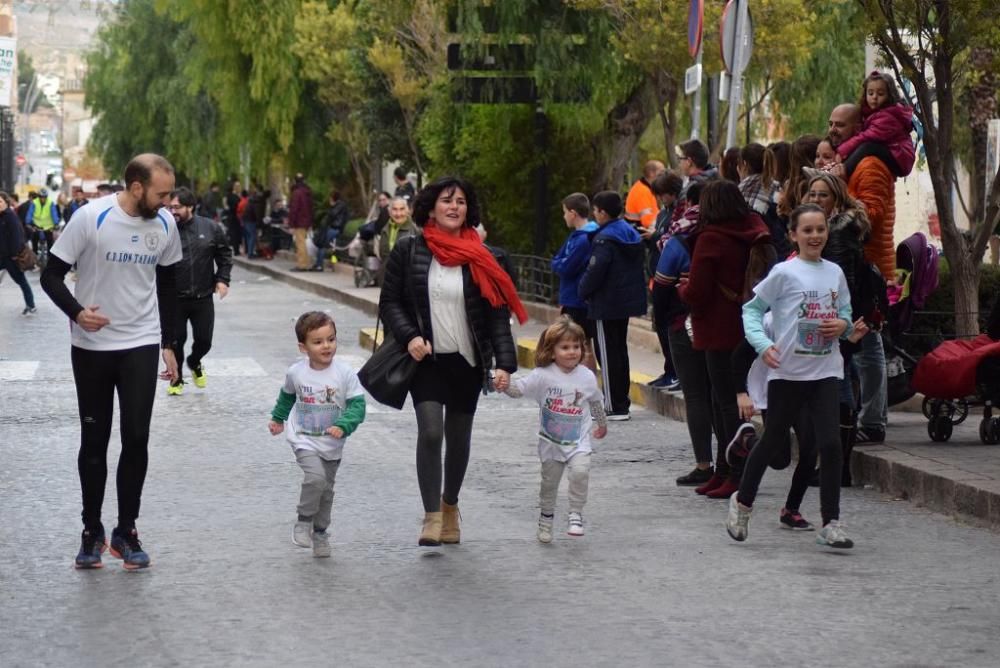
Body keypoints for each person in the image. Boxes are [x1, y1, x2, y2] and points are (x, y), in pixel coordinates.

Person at [40, 153, 182, 570]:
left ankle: (126, 530)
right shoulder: (90, 218)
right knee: (94, 443)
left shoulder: (166, 224)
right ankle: (91, 531)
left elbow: (169, 281)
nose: (169, 202)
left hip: (140, 341)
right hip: (92, 346)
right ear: (136, 188)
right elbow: (51, 274)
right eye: (162, 193)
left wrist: (170, 343)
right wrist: (77, 312)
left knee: (137, 438)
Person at [378, 176, 525, 546]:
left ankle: (449, 507)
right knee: (431, 432)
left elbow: (496, 315)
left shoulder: (484, 257)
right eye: (446, 200)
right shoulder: (410, 250)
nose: (454, 207)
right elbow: (390, 301)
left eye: (460, 201)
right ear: (430, 207)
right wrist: (410, 336)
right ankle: (429, 517)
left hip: (466, 361)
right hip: (425, 360)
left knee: (458, 440)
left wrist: (504, 363)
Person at [725, 204, 855, 549]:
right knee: (772, 443)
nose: (815, 236)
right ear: (793, 235)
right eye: (807, 230)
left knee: (829, 444)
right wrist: (762, 343)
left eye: (820, 230)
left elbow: (846, 316)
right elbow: (751, 311)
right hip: (787, 373)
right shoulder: (784, 273)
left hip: (825, 371)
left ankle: (831, 522)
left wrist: (843, 325)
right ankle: (743, 503)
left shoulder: (835, 273)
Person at [677, 179, 771, 500]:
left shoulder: (711, 239)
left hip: (716, 327)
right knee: (729, 399)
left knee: (723, 403)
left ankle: (734, 471)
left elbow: (698, 292)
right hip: (746, 325)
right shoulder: (755, 230)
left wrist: (681, 289)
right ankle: (722, 470)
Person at [268, 311, 366, 558]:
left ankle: (320, 532)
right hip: (304, 439)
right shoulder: (296, 372)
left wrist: (344, 425)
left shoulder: (345, 373)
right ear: (303, 347)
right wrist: (278, 419)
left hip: (332, 444)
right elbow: (287, 395)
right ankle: (303, 521)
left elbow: (358, 406)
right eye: (318, 342)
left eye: (331, 339)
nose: (326, 346)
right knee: (315, 479)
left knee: (326, 491)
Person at [502, 317, 607, 542]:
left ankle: (576, 514)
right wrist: (501, 383)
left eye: (576, 347)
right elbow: (519, 390)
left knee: (580, 472)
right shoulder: (543, 375)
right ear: (551, 351)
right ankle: (546, 519)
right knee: (549, 484)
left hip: (579, 440)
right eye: (565, 347)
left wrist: (602, 423)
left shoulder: (587, 376)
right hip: (551, 443)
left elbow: (596, 401)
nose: (572, 352)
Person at [828, 103, 894, 443]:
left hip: (868, 267)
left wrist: (840, 189)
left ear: (859, 127)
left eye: (841, 124)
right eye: (831, 123)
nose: (834, 128)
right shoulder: (852, 161)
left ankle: (872, 421)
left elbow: (873, 213)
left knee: (869, 346)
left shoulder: (869, 164)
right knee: (862, 346)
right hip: (853, 265)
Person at [654, 181, 718, 486]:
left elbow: (662, 283)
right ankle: (733, 460)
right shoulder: (734, 235)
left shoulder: (679, 239)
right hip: (725, 322)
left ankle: (705, 464)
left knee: (696, 395)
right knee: (721, 392)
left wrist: (664, 320)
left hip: (684, 323)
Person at [578, 191, 647, 420]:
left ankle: (612, 404)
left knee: (606, 353)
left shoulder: (604, 238)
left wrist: (583, 290)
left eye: (596, 211)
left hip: (605, 303)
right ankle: (621, 401)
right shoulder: (630, 233)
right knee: (620, 351)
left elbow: (595, 270)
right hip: (624, 302)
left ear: (602, 212)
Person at [165, 187, 233, 396]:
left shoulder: (211, 228)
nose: (172, 211)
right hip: (174, 298)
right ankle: (176, 380)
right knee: (176, 341)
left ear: (190, 207)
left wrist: (222, 279)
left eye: (177, 207)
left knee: (204, 341)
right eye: (170, 207)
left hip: (203, 297)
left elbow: (224, 255)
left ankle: (194, 363)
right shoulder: (165, 229)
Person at [835, 70, 915, 179]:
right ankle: (833, 169)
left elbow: (865, 137)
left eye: (880, 94)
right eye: (870, 93)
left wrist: (842, 150)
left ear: (890, 95)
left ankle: (842, 171)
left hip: (900, 158)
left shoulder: (888, 117)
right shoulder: (871, 114)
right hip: (893, 152)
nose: (874, 97)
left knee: (868, 146)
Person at [551, 192, 599, 371]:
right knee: (579, 342)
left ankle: (587, 384)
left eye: (564, 212)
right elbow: (557, 259)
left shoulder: (584, 239)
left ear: (572, 213)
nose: (564, 217)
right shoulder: (575, 236)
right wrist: (559, 263)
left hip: (578, 300)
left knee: (582, 343)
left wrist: (559, 263)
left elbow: (565, 266)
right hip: (571, 297)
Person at [647, 171, 685, 389]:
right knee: (661, 326)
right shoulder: (663, 214)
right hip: (658, 276)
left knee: (671, 327)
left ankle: (676, 372)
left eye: (663, 195)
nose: (661, 199)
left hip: (672, 281)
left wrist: (653, 237)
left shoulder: (678, 216)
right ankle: (669, 370)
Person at [0, 191, 36, 315]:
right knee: (21, 281)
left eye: (0, 202)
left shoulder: (10, 216)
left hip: (11, 257)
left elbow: (17, 236)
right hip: (2, 255)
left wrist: (15, 254)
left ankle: (31, 305)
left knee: (21, 281)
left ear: (6, 202)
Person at [672, 139, 718, 224]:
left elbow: (680, 220)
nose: (679, 163)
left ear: (689, 162)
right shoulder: (717, 180)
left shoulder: (691, 189)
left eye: (680, 159)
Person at [376, 196, 418, 284]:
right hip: (388, 280)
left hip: (408, 282)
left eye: (402, 209)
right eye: (395, 209)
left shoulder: (416, 231)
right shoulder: (385, 229)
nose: (398, 214)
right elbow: (383, 255)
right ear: (389, 211)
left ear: (408, 211)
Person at [313, 191, 349, 272]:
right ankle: (328, 263)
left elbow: (332, 215)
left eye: (330, 199)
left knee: (322, 244)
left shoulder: (339, 206)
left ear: (333, 199)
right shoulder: (341, 205)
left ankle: (319, 265)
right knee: (332, 247)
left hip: (335, 229)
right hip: (335, 228)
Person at [624, 159, 665, 230]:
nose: (664, 175)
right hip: (639, 233)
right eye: (661, 172)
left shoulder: (647, 188)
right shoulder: (642, 191)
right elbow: (647, 222)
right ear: (651, 173)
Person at [288, 174, 314, 271]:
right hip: (306, 221)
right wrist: (311, 222)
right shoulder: (308, 192)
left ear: (295, 181)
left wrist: (291, 224)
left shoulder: (297, 193)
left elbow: (294, 209)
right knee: (303, 242)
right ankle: (306, 263)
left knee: (300, 243)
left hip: (299, 221)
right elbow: (311, 208)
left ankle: (302, 265)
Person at [26, 187, 62, 253]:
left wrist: (56, 223)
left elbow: (54, 213)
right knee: (34, 240)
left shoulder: (50, 203)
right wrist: (28, 222)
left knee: (50, 243)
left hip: (48, 227)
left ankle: (49, 258)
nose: (43, 199)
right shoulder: (34, 203)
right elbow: (30, 213)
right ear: (38, 197)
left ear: (46, 197)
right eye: (41, 197)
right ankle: (35, 256)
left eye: (44, 197)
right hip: (36, 226)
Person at [224, 181, 243, 256]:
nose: (239, 188)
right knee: (235, 234)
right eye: (238, 186)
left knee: (237, 234)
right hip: (234, 217)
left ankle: (237, 249)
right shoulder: (232, 196)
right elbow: (233, 206)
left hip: (236, 216)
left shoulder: (236, 195)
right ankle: (236, 251)